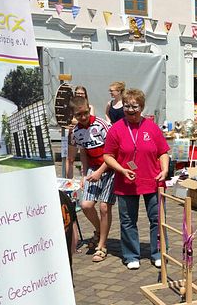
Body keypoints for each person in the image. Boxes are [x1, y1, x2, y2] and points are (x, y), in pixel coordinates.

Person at [103, 89, 170, 270]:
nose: (131, 110)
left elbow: (163, 152)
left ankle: (159, 253)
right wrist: (122, 169)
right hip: (126, 183)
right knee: (128, 220)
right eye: (127, 106)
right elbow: (108, 156)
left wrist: (164, 169)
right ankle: (131, 254)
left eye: (135, 106)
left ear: (142, 107)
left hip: (153, 179)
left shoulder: (151, 127)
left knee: (157, 218)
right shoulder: (116, 129)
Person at [66, 96, 115, 263]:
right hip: (93, 170)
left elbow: (113, 152)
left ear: (89, 108)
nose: (84, 117)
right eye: (79, 115)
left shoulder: (101, 125)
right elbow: (84, 152)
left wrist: (100, 171)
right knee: (86, 205)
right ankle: (99, 230)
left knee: (104, 207)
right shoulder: (76, 132)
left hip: (109, 168)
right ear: (73, 115)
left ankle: (102, 246)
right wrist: (84, 174)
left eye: (86, 113)